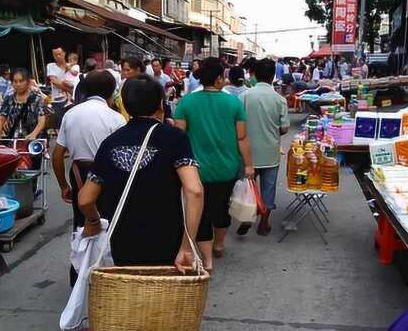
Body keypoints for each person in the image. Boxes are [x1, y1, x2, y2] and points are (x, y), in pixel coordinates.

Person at [78, 75, 203, 273]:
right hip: (166, 238)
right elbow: (194, 190)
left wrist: (94, 221)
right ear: (161, 105)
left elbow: (85, 199)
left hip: (120, 240)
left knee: (127, 299)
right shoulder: (174, 138)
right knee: (163, 298)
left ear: (125, 106)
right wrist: (187, 246)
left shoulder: (110, 142)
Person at [174, 57, 254, 269]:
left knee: (199, 211)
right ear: (219, 78)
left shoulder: (186, 102)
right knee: (220, 207)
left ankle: (205, 257)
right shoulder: (233, 103)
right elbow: (242, 137)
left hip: (195, 170)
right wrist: (248, 165)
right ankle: (218, 244)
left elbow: (178, 135)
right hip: (226, 167)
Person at [52, 70, 125, 286]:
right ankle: (107, 276)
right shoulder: (115, 117)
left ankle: (79, 277)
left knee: (81, 225)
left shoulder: (71, 114)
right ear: (112, 92)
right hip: (108, 178)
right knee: (109, 225)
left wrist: (63, 185)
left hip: (79, 177)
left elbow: (57, 155)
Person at [238, 59, 289, 236]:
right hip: (270, 152)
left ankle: (246, 218)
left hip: (247, 154)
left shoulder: (244, 96)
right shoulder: (280, 100)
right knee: (268, 190)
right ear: (273, 76)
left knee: (247, 188)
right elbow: (284, 128)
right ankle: (264, 223)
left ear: (254, 75)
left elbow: (237, 125)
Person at [0, 68, 46, 140]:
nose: (18, 84)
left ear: (28, 82)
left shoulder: (37, 98)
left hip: (33, 142)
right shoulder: (9, 99)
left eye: (21, 81)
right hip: (12, 140)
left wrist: (33, 134)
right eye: (15, 81)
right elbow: (1, 118)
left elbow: (42, 119)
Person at [47, 46, 73, 130]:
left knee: (70, 125)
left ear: (64, 54)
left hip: (71, 100)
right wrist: (70, 89)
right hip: (57, 100)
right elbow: (54, 81)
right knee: (59, 126)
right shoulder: (51, 66)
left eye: (59, 54)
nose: (57, 56)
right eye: (55, 55)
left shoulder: (71, 66)